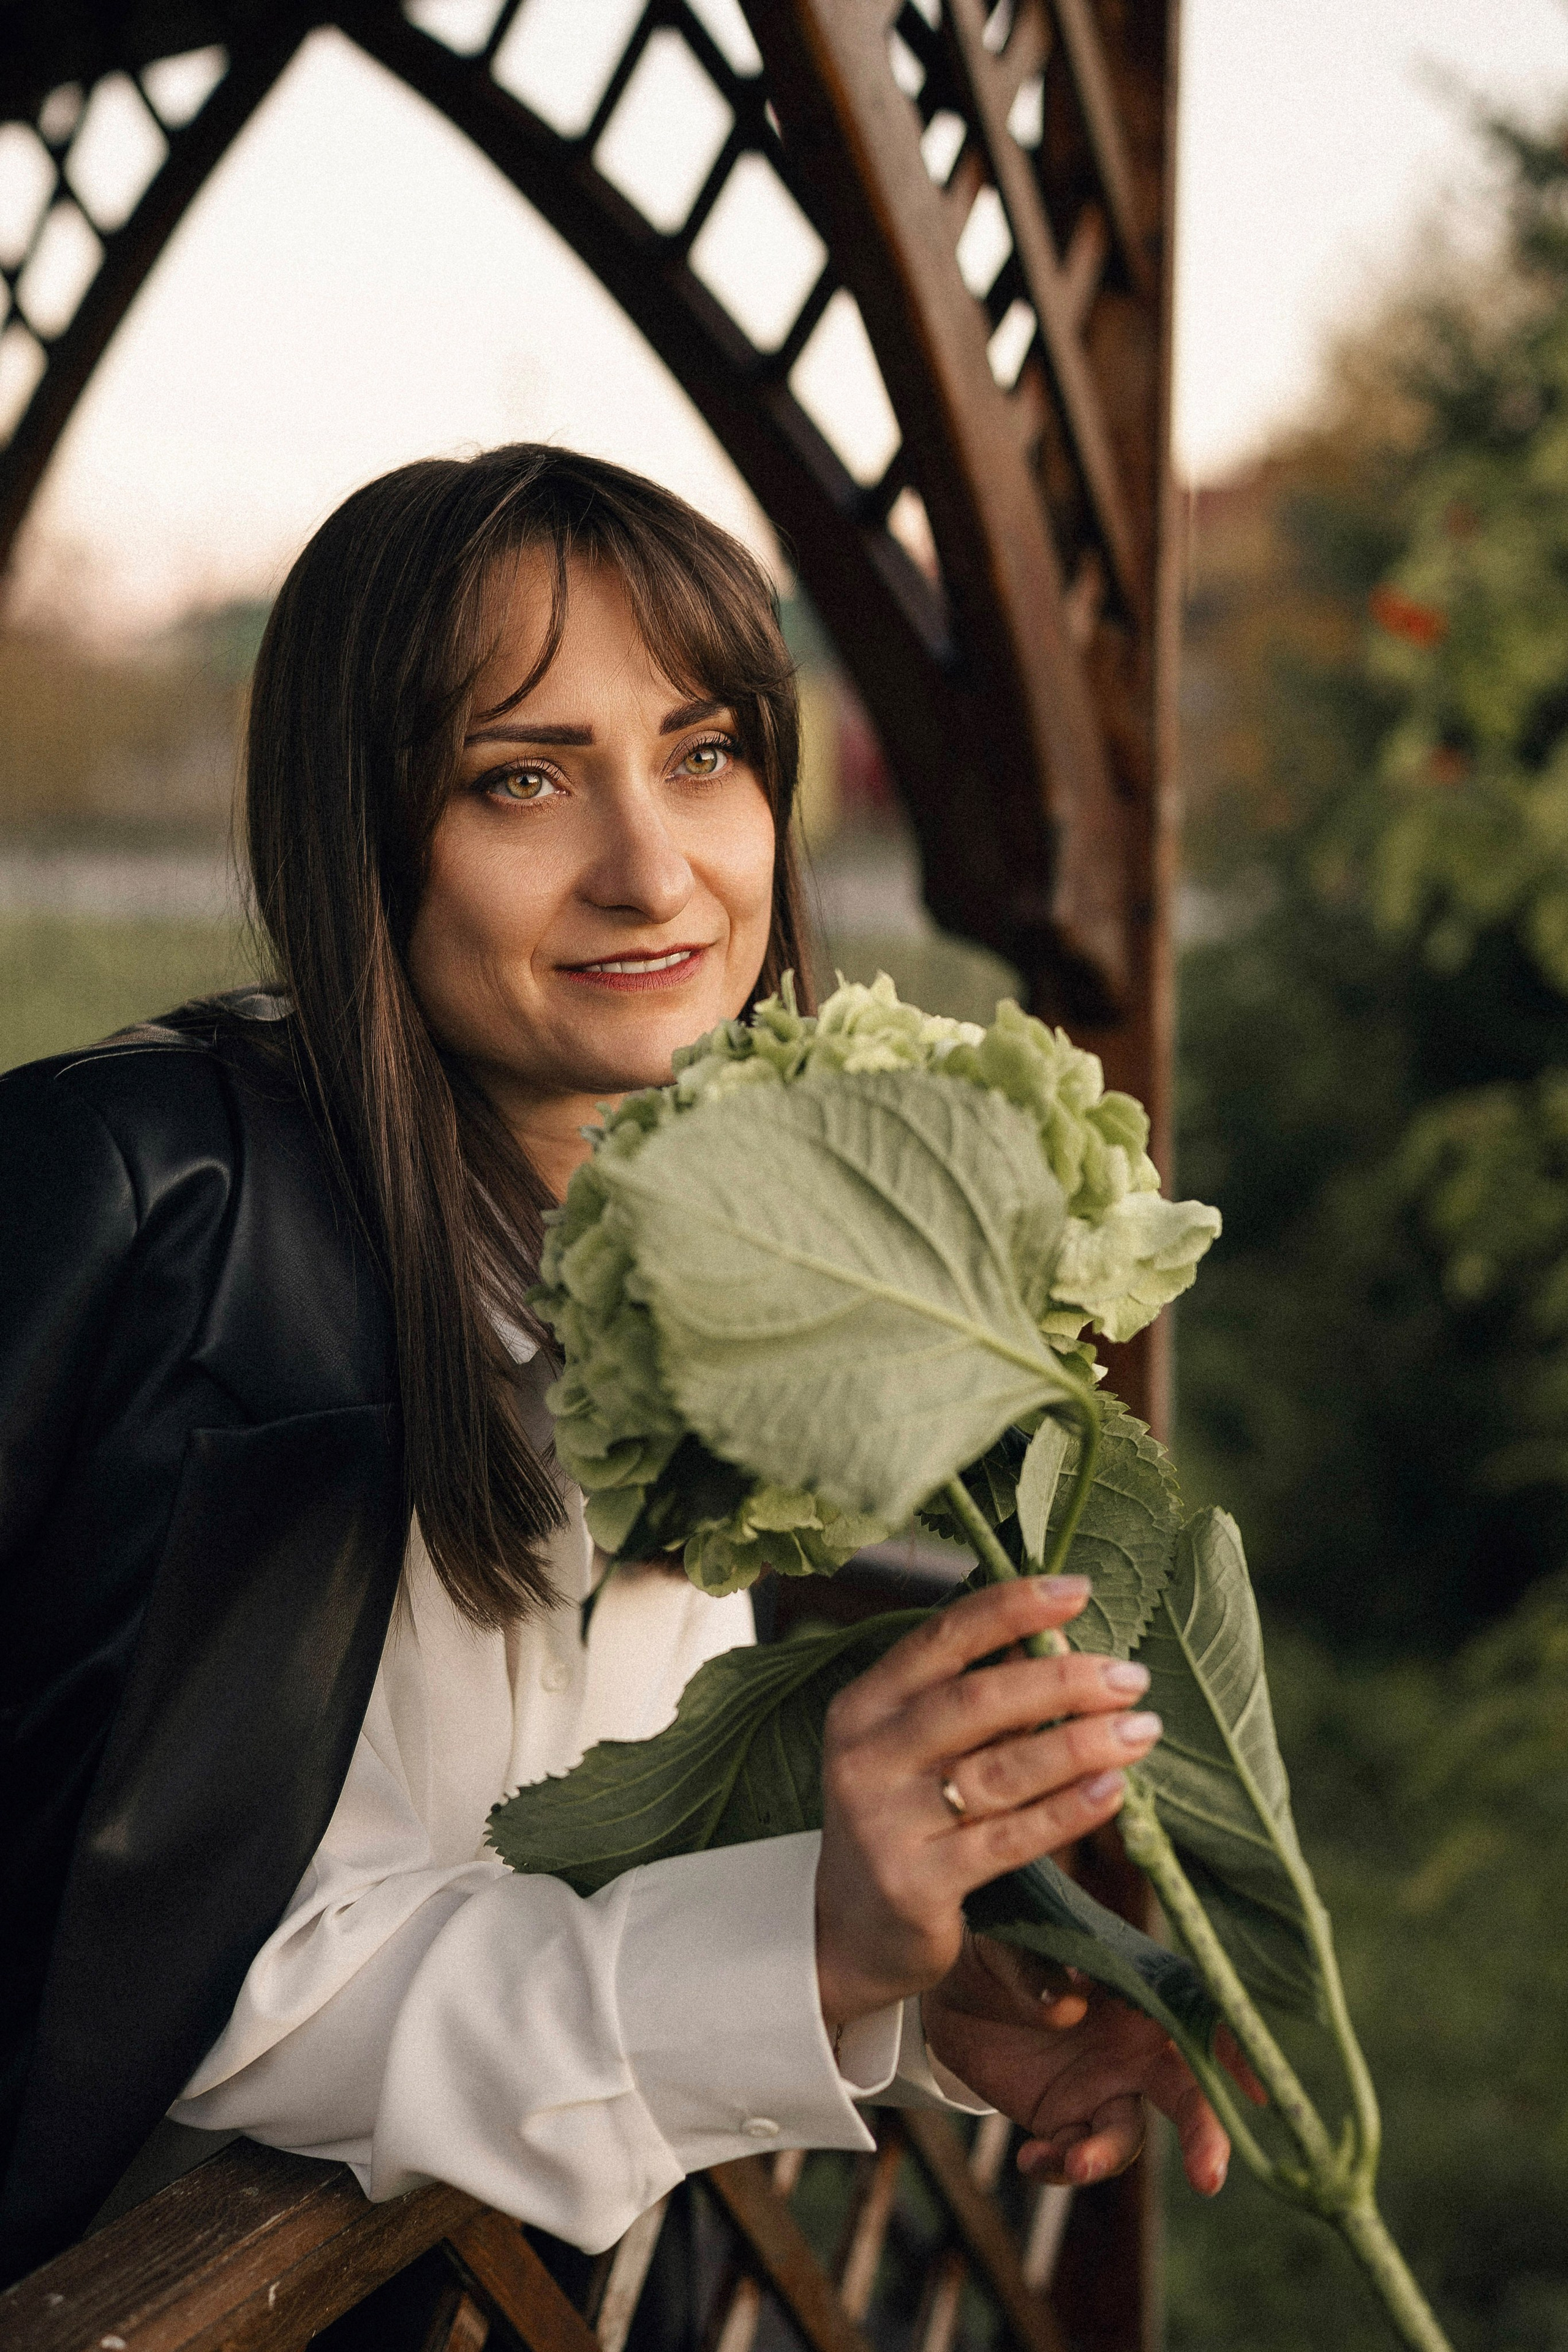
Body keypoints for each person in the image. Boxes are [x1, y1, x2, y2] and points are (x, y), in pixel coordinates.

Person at [0, 447, 1234, 2293]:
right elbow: (176, 1995)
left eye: (706, 754)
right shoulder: (150, 1216)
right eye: (522, 779)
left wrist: (911, 1993)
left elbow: (536, 1887)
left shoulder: (672, 1270)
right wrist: (796, 1942)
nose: (653, 870)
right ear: (363, 833)